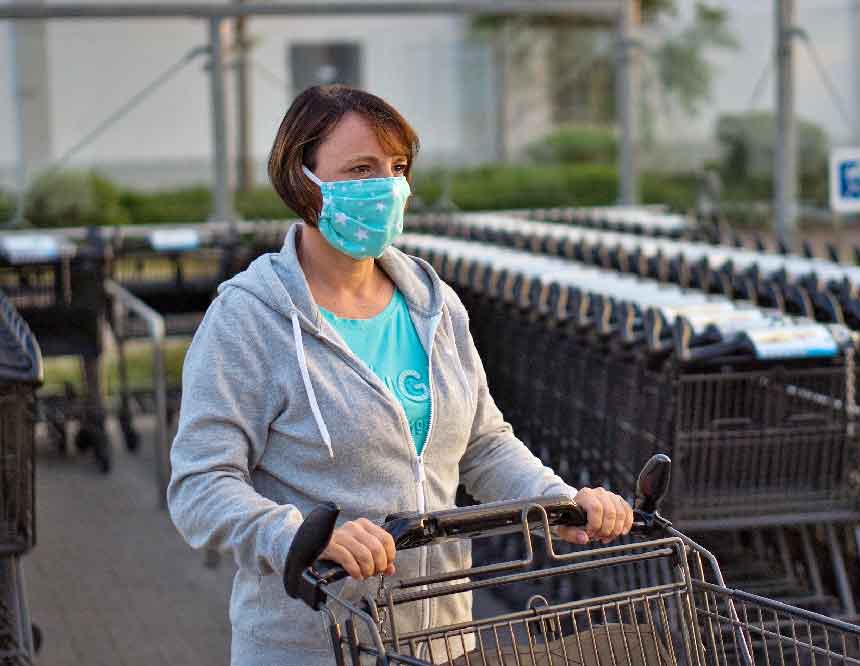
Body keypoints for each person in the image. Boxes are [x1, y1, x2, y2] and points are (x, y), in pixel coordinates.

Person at [167, 84, 634, 666]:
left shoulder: (431, 303)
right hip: (314, 647)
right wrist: (298, 536)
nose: (387, 187)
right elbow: (200, 486)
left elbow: (483, 446)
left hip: (439, 641)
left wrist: (557, 500)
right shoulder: (248, 319)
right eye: (361, 169)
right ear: (302, 180)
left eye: (396, 168)